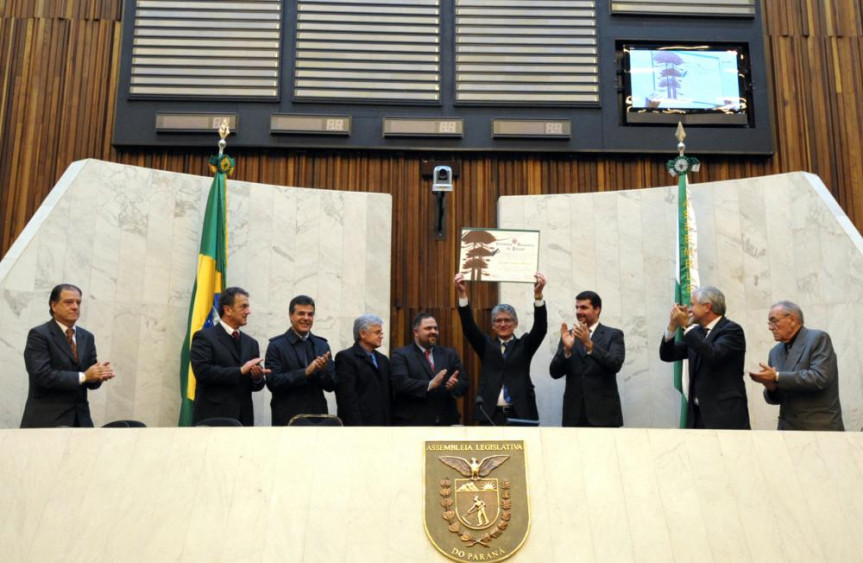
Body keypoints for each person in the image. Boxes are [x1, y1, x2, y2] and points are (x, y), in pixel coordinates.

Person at [454, 271, 547, 425]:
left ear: (515, 323)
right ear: (493, 326)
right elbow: (469, 328)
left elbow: (540, 328)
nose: (503, 324)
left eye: (507, 320)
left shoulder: (524, 346)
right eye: (498, 321)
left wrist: (538, 296)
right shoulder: (486, 345)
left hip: (520, 412)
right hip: (490, 413)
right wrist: (462, 294)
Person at [21, 283, 115, 428]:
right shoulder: (39, 335)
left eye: (78, 302)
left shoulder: (87, 337)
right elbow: (41, 375)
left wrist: (99, 375)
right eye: (69, 302)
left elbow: (91, 382)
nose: (75, 307)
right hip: (47, 421)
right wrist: (84, 376)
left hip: (81, 421)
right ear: (54, 306)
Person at [659, 285, 750, 429]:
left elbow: (712, 354)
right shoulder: (698, 333)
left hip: (725, 416)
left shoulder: (731, 330)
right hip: (697, 416)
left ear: (707, 307)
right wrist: (673, 326)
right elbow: (667, 355)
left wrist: (686, 326)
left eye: (693, 304)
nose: (689, 310)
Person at [749, 301, 844, 430]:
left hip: (819, 428)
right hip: (787, 430)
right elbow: (777, 399)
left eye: (774, 321)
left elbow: (820, 378)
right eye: (769, 323)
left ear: (792, 320)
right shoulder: (775, 352)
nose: (770, 327)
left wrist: (776, 377)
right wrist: (770, 386)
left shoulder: (818, 338)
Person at [190, 287, 269, 426]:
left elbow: (256, 386)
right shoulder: (204, 337)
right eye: (243, 307)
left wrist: (257, 378)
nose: (248, 312)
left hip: (243, 419)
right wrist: (240, 371)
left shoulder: (251, 343)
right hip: (213, 417)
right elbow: (203, 372)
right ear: (228, 310)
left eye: (248, 307)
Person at [549, 291, 625, 427]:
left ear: (597, 309)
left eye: (584, 307)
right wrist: (566, 351)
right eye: (577, 307)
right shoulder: (569, 335)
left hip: (604, 415)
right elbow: (554, 373)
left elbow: (615, 364)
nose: (579, 311)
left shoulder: (613, 335)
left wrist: (589, 345)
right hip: (574, 415)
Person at [265, 295, 336, 426]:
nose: (306, 318)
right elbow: (273, 382)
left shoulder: (322, 345)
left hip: (317, 417)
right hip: (287, 418)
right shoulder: (276, 345)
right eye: (301, 314)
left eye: (310, 314)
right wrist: (305, 372)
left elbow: (331, 386)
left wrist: (323, 371)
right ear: (291, 316)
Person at [389, 312, 469, 426]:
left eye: (435, 328)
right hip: (414, 424)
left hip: (446, 423)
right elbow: (400, 383)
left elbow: (464, 383)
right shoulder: (401, 355)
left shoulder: (450, 354)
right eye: (428, 328)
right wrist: (429, 384)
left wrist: (455, 386)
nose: (433, 332)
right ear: (416, 332)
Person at [334, 314, 391, 426]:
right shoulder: (346, 358)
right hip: (360, 426)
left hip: (383, 426)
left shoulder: (383, 360)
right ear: (363, 334)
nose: (381, 336)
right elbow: (347, 399)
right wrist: (358, 428)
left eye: (381, 333)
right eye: (377, 332)